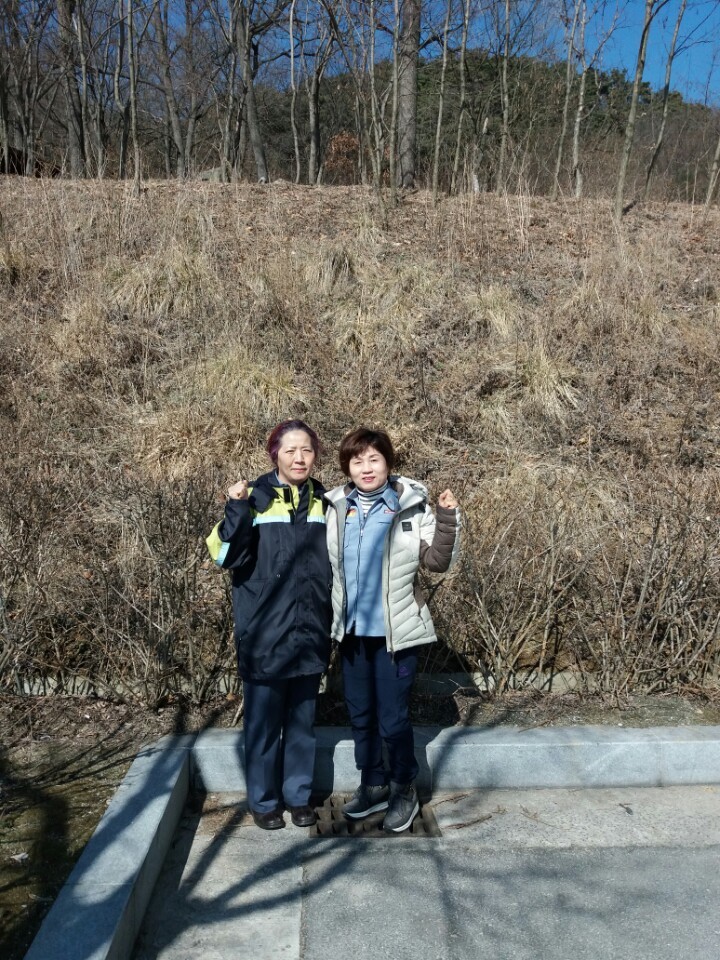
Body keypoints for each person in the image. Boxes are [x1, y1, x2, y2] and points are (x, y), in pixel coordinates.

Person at [324, 428, 460, 833]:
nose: (366, 468)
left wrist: (447, 519)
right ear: (347, 467)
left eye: (374, 459)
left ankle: (404, 788)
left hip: (395, 635)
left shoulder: (411, 507)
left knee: (393, 718)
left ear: (388, 463)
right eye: (357, 461)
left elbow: (437, 562)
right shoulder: (336, 507)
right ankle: (373, 783)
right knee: (360, 714)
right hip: (352, 634)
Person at [206, 420, 332, 830]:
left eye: (307, 450)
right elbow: (223, 554)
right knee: (262, 728)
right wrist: (237, 508)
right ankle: (263, 802)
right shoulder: (256, 498)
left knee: (301, 726)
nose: (299, 458)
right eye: (290, 450)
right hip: (264, 635)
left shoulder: (324, 502)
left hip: (310, 633)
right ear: (274, 454)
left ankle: (298, 798)